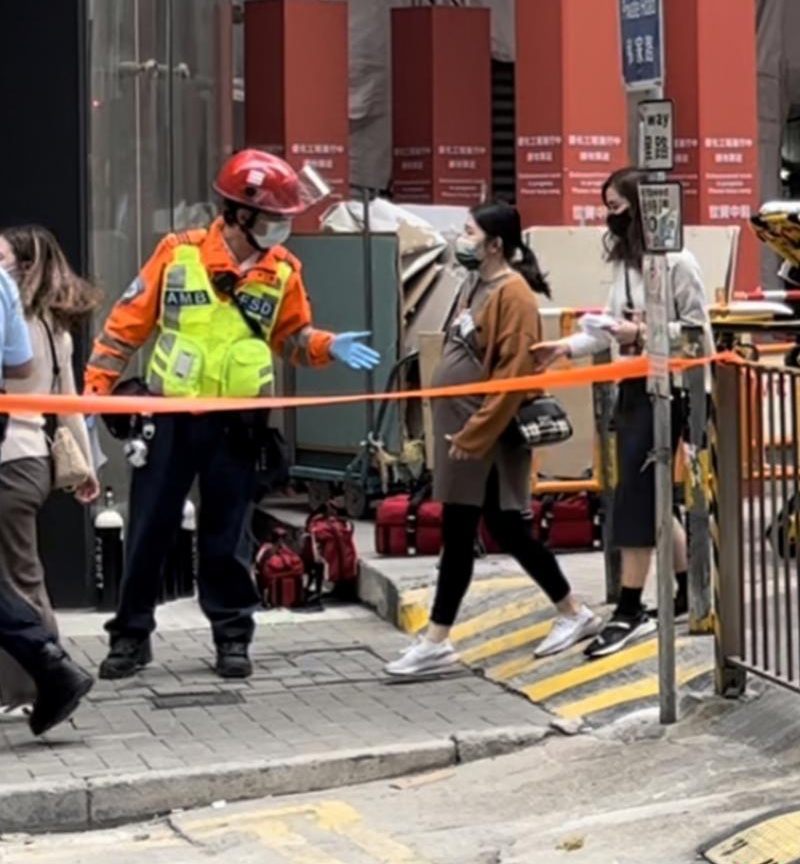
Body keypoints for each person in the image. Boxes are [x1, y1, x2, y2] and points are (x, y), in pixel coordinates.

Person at [85, 149, 381, 682]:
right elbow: (125, 326)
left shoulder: (283, 271)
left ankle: (232, 637)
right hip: (171, 418)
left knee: (228, 537)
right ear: (240, 213)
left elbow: (291, 339)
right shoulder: (177, 255)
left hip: (238, 427)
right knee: (150, 529)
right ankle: (130, 637)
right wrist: (95, 392)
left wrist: (327, 345)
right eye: (274, 218)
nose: (282, 228)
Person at [386, 202, 599, 680]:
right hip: (466, 434)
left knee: (462, 534)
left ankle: (437, 639)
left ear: (495, 243)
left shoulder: (513, 294)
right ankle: (571, 610)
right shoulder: (473, 285)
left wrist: (475, 434)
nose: (462, 239)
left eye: (469, 232)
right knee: (502, 530)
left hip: (484, 438)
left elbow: (512, 376)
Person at [532, 166, 713, 658]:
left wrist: (645, 336)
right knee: (649, 496)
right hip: (633, 384)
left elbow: (697, 333)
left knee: (635, 496)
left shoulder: (679, 262)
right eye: (606, 207)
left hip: (672, 390)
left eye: (616, 207)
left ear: (640, 207)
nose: (609, 217)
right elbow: (610, 327)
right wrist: (565, 346)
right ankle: (684, 592)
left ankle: (630, 607)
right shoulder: (628, 267)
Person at [0, 227, 101, 715]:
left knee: (17, 577)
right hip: (34, 459)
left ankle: (43, 678)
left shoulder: (12, 322)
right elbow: (68, 404)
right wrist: (86, 467)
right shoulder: (53, 327)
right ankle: (40, 678)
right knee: (21, 573)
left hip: (8, 460)